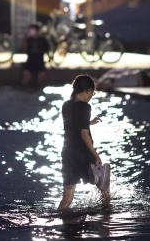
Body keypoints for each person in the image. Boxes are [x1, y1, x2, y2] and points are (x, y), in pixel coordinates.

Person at [58, 75, 110, 211]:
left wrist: (88, 122)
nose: (92, 95)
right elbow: (83, 133)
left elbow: (74, 124)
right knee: (104, 187)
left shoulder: (66, 105)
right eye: (92, 92)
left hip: (68, 153)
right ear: (87, 90)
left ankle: (57, 220)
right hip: (83, 153)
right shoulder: (85, 107)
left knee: (67, 197)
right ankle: (106, 217)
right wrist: (95, 154)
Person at [21, 23, 50, 87]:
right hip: (30, 62)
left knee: (41, 79)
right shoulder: (28, 39)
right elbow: (24, 48)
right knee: (26, 78)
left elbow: (47, 49)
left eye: (32, 30)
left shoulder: (43, 39)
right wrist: (26, 38)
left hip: (40, 62)